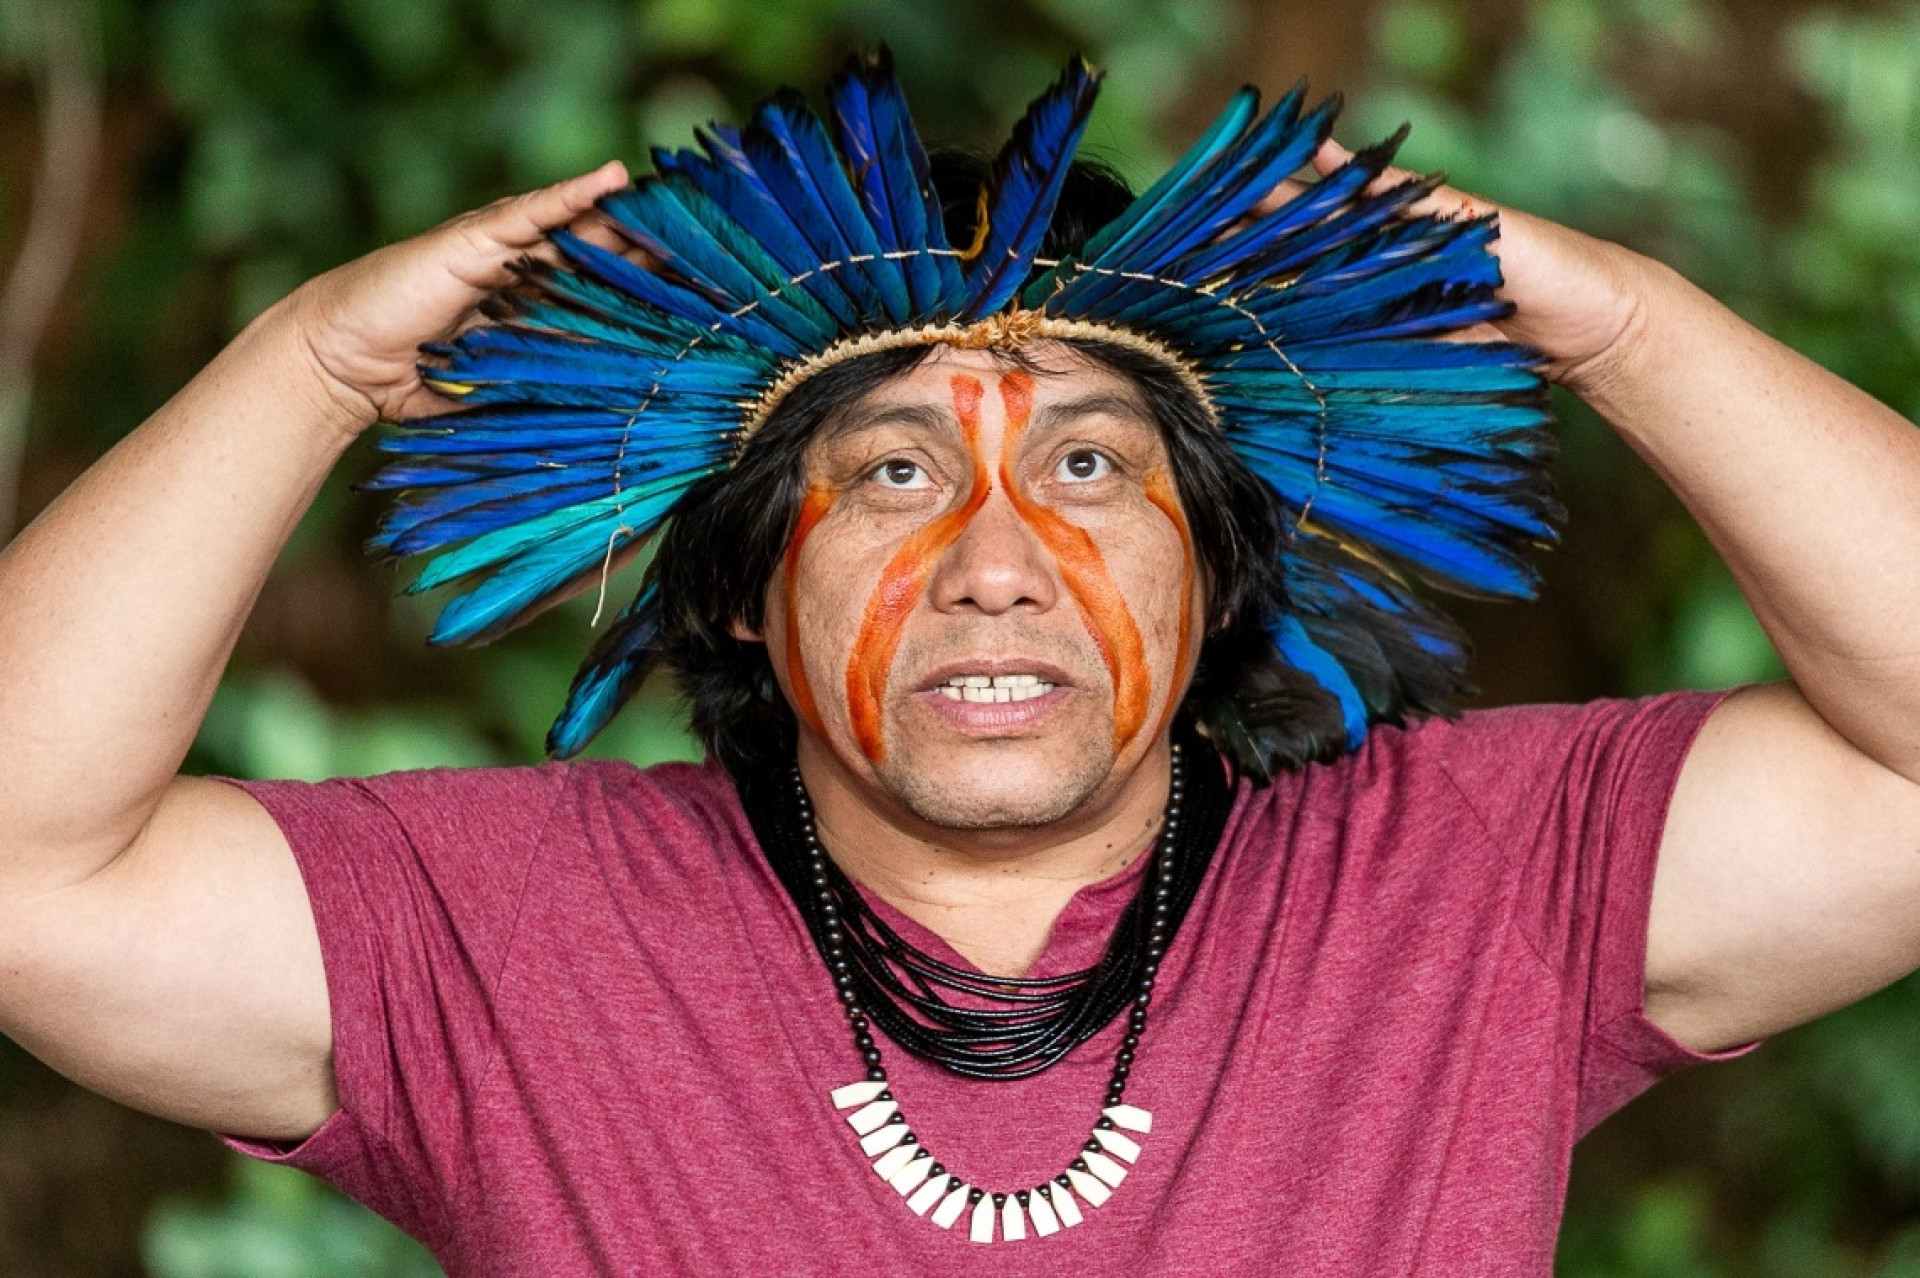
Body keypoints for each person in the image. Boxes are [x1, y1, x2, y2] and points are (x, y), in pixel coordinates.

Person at [2, 54, 1919, 1277]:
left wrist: (1626, 328)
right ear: (750, 585)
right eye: (893, 471)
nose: (998, 563)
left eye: (1091, 463)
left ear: (1217, 564)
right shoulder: (504, 927)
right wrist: (316, 360)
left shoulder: (1477, 880)